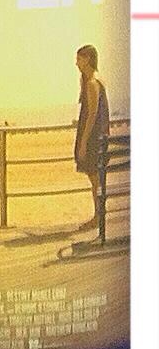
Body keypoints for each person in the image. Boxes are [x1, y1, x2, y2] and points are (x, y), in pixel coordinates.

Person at [74, 43, 110, 229]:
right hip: (96, 135)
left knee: (95, 178)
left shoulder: (92, 83)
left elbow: (92, 114)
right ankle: (98, 216)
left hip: (94, 137)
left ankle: (98, 217)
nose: (76, 63)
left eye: (79, 58)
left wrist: (83, 141)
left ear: (87, 59)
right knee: (94, 178)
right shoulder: (89, 80)